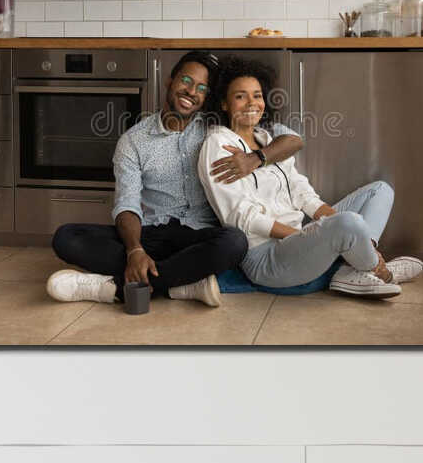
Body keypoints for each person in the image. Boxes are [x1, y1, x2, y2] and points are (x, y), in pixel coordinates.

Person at [46, 51, 303, 307]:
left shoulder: (217, 128)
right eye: (187, 81)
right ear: (170, 81)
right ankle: (183, 281)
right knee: (67, 237)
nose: (192, 92)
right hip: (151, 234)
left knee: (235, 242)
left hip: (202, 235)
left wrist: (255, 158)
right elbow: (127, 204)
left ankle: (114, 287)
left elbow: (293, 140)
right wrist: (135, 250)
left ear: (207, 97)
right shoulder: (134, 141)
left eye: (202, 88)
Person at [197, 59, 423, 297]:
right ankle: (380, 271)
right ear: (224, 103)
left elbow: (302, 193)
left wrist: (321, 232)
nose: (252, 103)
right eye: (241, 96)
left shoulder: (266, 138)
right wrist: (308, 235)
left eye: (257, 95)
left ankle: (360, 264)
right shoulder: (218, 144)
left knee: (380, 190)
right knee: (348, 223)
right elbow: (241, 216)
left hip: (299, 239)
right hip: (266, 256)